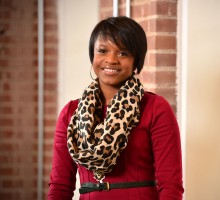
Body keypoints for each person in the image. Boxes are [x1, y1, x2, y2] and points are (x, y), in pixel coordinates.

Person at [48, 16, 184, 200]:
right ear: (92, 56)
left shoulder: (155, 108)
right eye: (102, 51)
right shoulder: (70, 112)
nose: (111, 60)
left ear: (137, 60)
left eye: (123, 53)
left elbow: (171, 187)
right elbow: (60, 187)